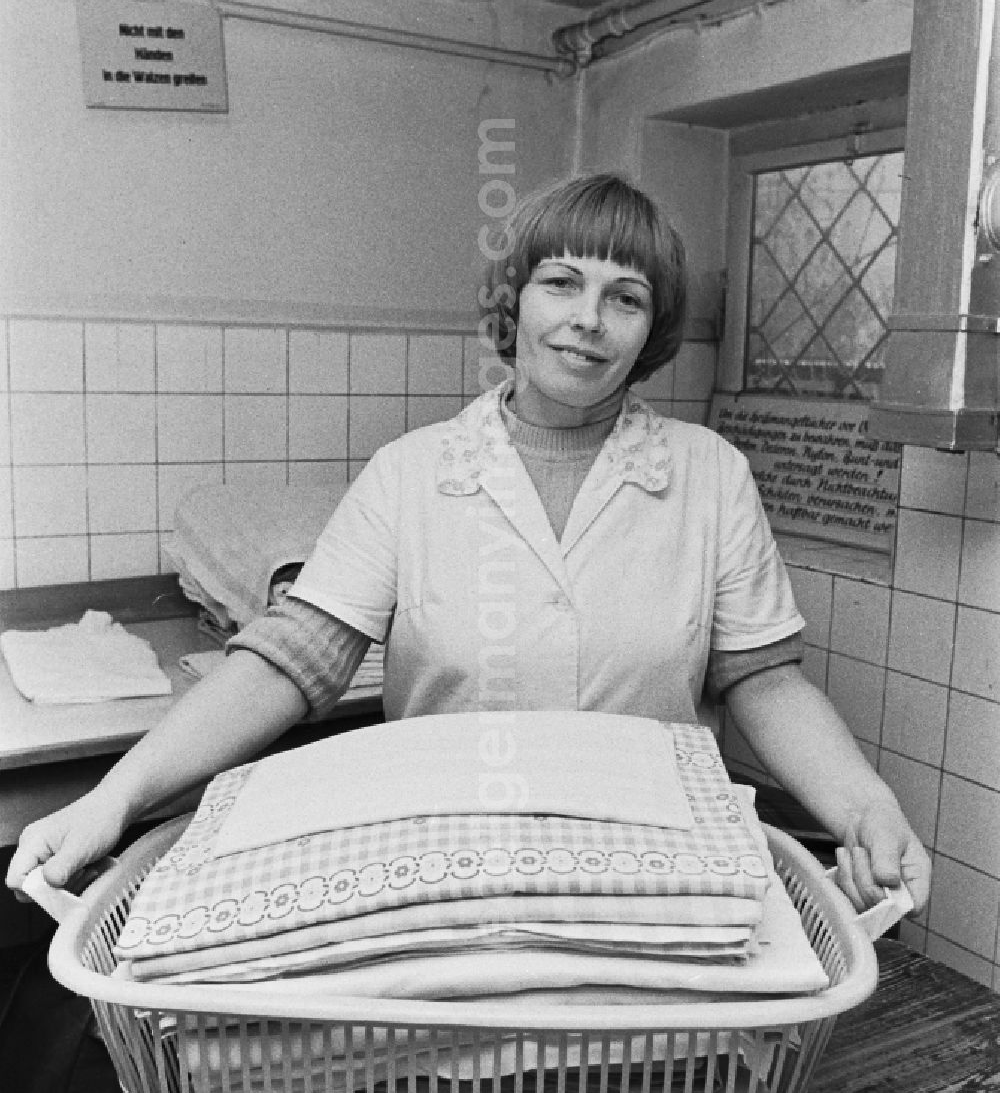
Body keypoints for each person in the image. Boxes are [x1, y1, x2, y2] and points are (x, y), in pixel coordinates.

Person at [7, 172, 931, 916]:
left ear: (651, 330)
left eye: (626, 296)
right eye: (561, 282)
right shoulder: (413, 473)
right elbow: (287, 664)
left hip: (654, 871)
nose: (587, 319)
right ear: (514, 301)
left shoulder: (709, 473)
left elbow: (761, 679)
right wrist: (112, 800)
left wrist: (864, 806)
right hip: (447, 862)